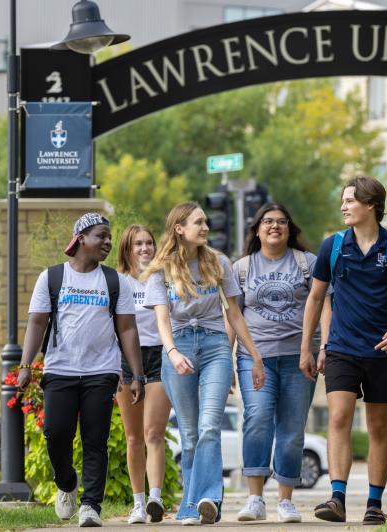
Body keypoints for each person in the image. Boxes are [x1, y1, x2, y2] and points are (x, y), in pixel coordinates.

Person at [300, 176, 387, 526]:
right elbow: (315, 298)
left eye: (350, 201)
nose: (343, 206)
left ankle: (374, 503)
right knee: (339, 418)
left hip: (383, 350)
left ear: (371, 204)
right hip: (341, 348)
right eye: (342, 201)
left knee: (377, 426)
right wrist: (309, 348)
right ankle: (337, 498)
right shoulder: (333, 246)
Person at [17, 213, 145, 528]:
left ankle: (91, 506)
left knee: (95, 438)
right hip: (60, 368)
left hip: (101, 371)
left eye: (109, 237)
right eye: (101, 236)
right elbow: (37, 322)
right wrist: (25, 366)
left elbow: (127, 330)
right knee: (56, 433)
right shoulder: (52, 278)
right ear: (81, 238)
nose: (107, 242)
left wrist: (137, 374)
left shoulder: (115, 281)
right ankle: (67, 482)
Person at [143, 202, 266, 526]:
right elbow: (162, 320)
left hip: (215, 348)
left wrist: (254, 356)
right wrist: (171, 353)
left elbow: (234, 314)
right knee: (190, 435)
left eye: (206, 222)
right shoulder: (161, 270)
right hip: (179, 347)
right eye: (199, 222)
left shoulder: (219, 262)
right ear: (179, 228)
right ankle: (191, 506)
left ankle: (207, 498)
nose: (206, 227)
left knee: (210, 424)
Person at [228, 203, 332, 523]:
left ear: (290, 229)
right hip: (254, 358)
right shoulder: (242, 267)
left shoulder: (308, 263)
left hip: (300, 359)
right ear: (257, 229)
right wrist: (226, 360)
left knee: (292, 430)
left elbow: (325, 306)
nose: (275, 226)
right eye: (268, 222)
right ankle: (255, 498)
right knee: (257, 419)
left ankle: (285, 500)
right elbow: (233, 316)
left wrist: (324, 346)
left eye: (281, 222)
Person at [115, 224, 171, 524]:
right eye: (138, 244)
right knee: (134, 436)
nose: (145, 248)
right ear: (127, 248)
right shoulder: (117, 282)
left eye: (149, 243)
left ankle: (155, 499)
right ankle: (137, 502)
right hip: (126, 361)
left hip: (159, 356)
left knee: (154, 432)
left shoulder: (162, 279)